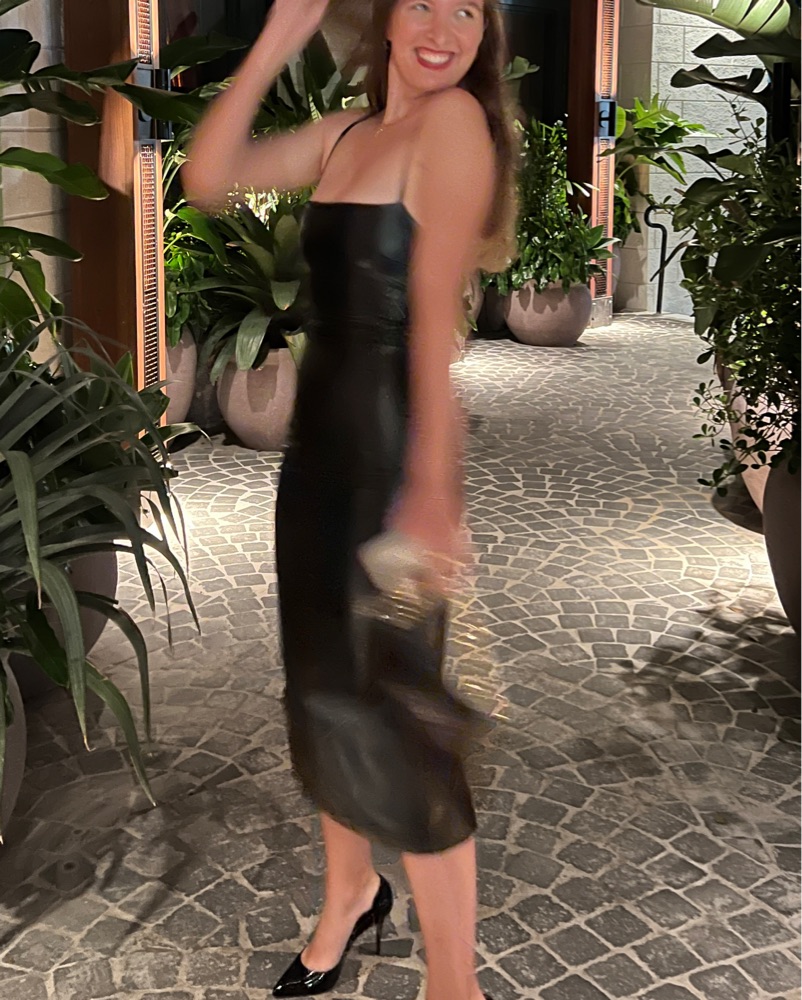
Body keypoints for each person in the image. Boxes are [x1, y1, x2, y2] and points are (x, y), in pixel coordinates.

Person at [183, 2, 518, 998]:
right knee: (322, 690)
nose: (444, 26)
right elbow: (207, 178)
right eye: (424, 1)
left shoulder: (453, 124)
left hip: (388, 459)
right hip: (318, 459)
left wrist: (432, 490)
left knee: (403, 720)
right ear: (387, 18)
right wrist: (278, 37)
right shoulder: (345, 133)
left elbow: (431, 327)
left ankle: (453, 982)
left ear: (484, 35)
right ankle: (349, 895)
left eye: (468, 9)